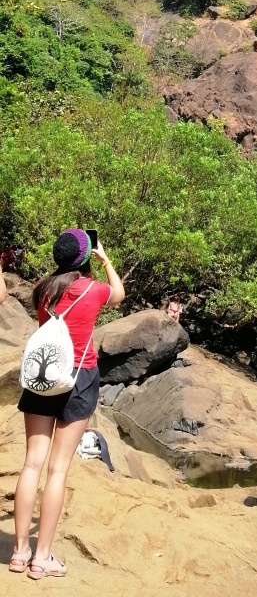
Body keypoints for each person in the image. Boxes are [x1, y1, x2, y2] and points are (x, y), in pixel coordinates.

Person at [11, 229, 125, 579]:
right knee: (57, 470)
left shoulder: (42, 289)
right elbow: (119, 295)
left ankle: (19, 553)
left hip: (43, 378)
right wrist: (105, 260)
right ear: (87, 257)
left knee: (31, 464)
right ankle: (42, 558)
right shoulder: (94, 290)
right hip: (79, 377)